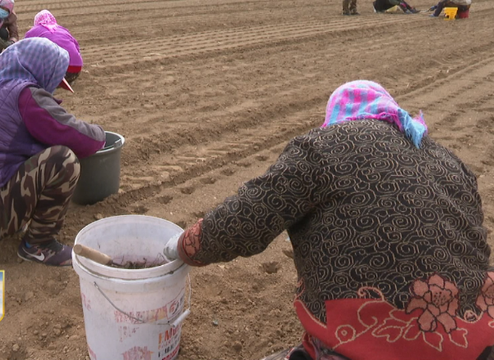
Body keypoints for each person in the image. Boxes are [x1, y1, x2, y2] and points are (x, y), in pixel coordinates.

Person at [164, 80, 494, 359]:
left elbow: (244, 221)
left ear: (338, 117)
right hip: (472, 340)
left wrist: (181, 247)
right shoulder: (451, 162)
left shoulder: (323, 149)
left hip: (375, 342)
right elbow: (475, 248)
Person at [0, 38, 106, 267]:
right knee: (62, 160)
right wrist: (101, 134)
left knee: (35, 149)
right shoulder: (24, 95)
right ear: (42, 69)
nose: (53, 86)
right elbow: (79, 138)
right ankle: (39, 245)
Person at [25, 10, 83, 87]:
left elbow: (24, 50)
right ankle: (68, 80)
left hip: (57, 72)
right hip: (75, 69)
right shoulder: (63, 29)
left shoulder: (34, 31)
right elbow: (77, 48)